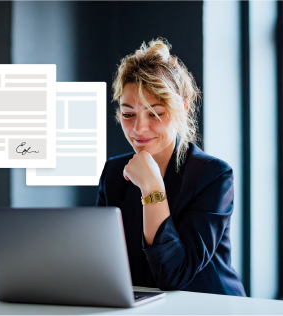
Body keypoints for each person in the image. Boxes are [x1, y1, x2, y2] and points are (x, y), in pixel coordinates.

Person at [96, 38, 246, 296]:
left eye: (155, 113)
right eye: (128, 114)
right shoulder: (113, 173)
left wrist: (152, 186)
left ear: (183, 109)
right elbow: (100, 260)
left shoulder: (214, 176)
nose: (139, 129)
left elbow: (174, 274)